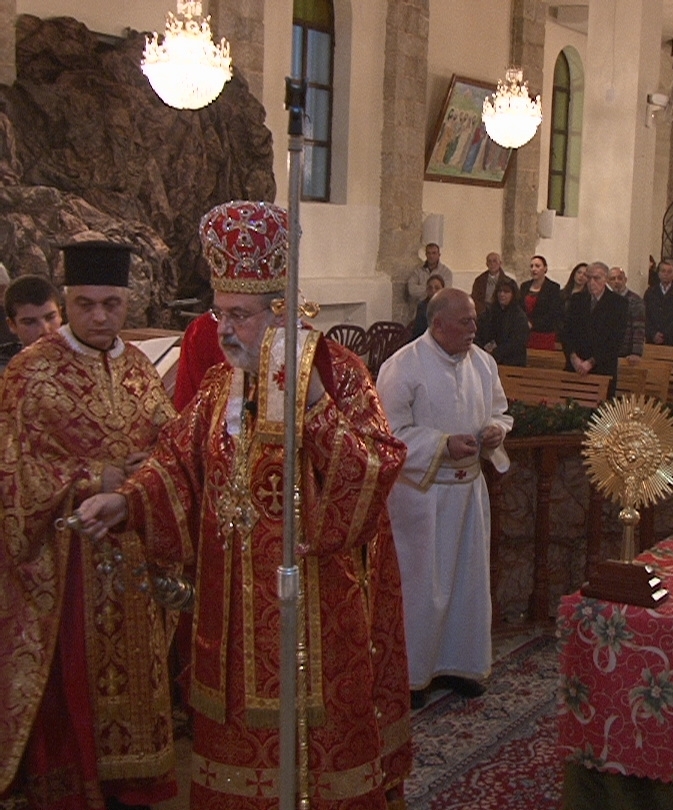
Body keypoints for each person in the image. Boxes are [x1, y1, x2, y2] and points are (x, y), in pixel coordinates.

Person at [76, 201, 413, 810]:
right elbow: (176, 466)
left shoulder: (338, 374)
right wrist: (124, 503)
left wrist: (312, 408)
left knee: (310, 763)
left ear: (280, 312)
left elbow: (376, 468)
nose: (225, 330)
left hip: (312, 614)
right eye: (220, 312)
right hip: (230, 618)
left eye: (240, 315)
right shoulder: (217, 387)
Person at [0, 241, 178, 810]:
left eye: (111, 305)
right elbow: (14, 465)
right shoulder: (31, 369)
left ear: (127, 302)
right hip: (66, 554)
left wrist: (150, 472)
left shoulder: (136, 366)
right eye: (84, 304)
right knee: (73, 676)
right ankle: (74, 783)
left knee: (138, 672)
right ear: (67, 301)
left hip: (133, 553)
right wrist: (93, 476)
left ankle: (134, 782)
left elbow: (166, 439)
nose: (99, 317)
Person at [376, 287, 513, 709]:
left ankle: (462, 665)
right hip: (422, 498)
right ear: (438, 325)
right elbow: (388, 435)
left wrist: (495, 431)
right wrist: (440, 444)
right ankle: (415, 674)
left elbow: (500, 410)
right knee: (423, 587)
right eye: (466, 321)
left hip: (469, 493)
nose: (475, 328)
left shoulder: (484, 364)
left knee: (468, 582)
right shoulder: (403, 367)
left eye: (475, 320)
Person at [562, 261, 628, 394]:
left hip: (602, 366)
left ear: (606, 279)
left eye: (596, 278)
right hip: (576, 365)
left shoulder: (618, 303)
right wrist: (573, 357)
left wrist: (591, 362)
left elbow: (615, 339)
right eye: (589, 277)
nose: (592, 282)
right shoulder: (577, 300)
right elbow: (566, 332)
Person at [1, 274, 63, 367]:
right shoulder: (6, 369)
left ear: (60, 314)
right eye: (29, 322)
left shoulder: (84, 360)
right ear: (12, 325)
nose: (44, 330)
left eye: (50, 317)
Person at [172, 309, 227, 409]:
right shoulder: (202, 332)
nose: (221, 330)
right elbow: (187, 405)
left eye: (239, 315)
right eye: (218, 314)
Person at [477, 276, 528, 366]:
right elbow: (479, 331)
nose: (502, 294)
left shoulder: (519, 316)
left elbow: (516, 342)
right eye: (499, 291)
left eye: (506, 292)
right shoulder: (490, 311)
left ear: (513, 294)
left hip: (511, 362)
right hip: (487, 358)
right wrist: (483, 350)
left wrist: (496, 352)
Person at [643, 257, 673, 346]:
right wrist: (653, 333)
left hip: (672, 340)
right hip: (652, 339)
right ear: (658, 273)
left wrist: (665, 334)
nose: (666, 274)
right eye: (663, 271)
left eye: (669, 272)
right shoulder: (650, 292)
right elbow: (645, 315)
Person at [521, 255, 562, 350]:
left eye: (537, 266)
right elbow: (520, 308)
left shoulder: (553, 287)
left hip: (544, 333)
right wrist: (524, 323)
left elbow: (553, 312)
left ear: (545, 268)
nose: (534, 269)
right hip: (526, 333)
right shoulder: (525, 286)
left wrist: (533, 324)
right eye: (531, 266)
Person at [608, 265, 645, 362]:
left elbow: (639, 328)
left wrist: (636, 352)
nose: (616, 281)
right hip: (610, 350)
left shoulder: (635, 300)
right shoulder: (607, 299)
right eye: (612, 279)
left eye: (620, 278)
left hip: (627, 352)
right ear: (608, 282)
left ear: (625, 280)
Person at [407, 242, 453, 306]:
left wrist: (423, 290)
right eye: (429, 253)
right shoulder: (418, 271)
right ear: (426, 255)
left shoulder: (446, 272)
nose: (431, 256)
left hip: (439, 307)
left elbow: (445, 292)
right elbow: (411, 289)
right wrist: (432, 289)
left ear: (439, 255)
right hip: (422, 307)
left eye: (434, 253)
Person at [470, 251, 511, 318]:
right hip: (483, 313)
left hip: (501, 313)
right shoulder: (479, 280)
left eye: (494, 261)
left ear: (500, 263)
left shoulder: (508, 281)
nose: (492, 264)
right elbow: (475, 298)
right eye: (489, 261)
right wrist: (483, 310)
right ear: (486, 264)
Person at [411, 272, 445, 340]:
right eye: (430, 288)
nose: (433, 291)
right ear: (427, 290)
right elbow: (419, 331)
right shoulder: (422, 307)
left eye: (437, 288)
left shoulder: (448, 306)